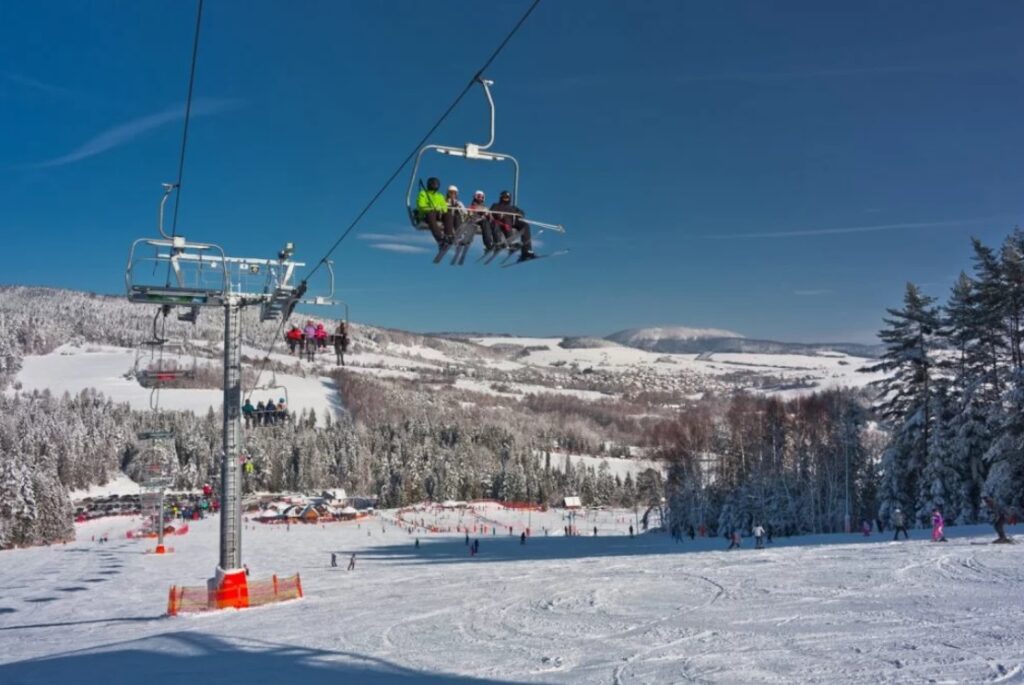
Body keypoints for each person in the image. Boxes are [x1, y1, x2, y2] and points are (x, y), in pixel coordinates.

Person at [489, 190, 535, 262]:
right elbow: (491, 212)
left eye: (507, 197)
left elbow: (521, 212)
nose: (506, 199)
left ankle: (527, 251)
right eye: (504, 197)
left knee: (525, 225)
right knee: (506, 219)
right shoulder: (496, 205)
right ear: (501, 198)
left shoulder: (513, 207)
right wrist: (498, 215)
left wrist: (520, 214)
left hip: (513, 222)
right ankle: (510, 243)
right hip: (501, 222)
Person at [416, 177, 451, 247]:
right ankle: (440, 239)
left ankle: (448, 235)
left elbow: (444, 207)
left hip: (437, 213)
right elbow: (421, 205)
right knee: (431, 214)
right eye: (433, 184)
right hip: (426, 215)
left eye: (436, 184)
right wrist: (431, 208)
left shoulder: (440, 196)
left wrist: (441, 209)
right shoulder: (423, 193)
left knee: (448, 215)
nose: (435, 185)